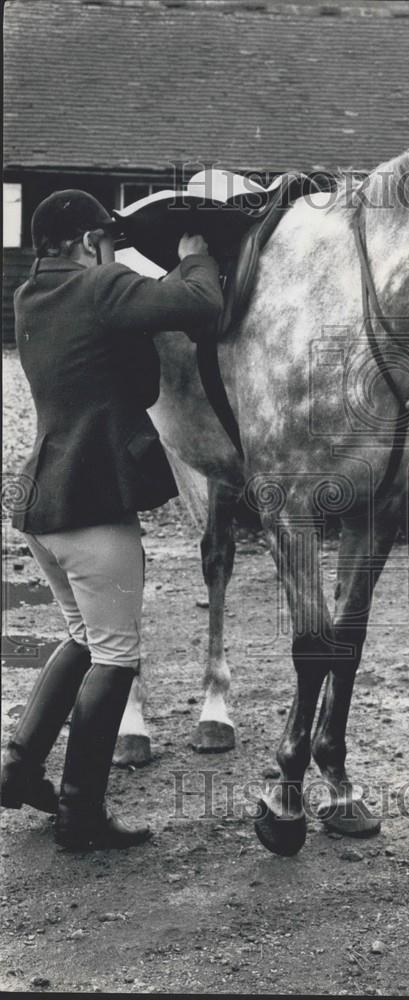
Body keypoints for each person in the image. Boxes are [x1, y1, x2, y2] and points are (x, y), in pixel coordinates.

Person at [1, 190, 224, 850]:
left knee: (81, 637)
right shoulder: (100, 285)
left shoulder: (29, 295)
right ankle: (81, 813)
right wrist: (193, 257)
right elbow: (202, 306)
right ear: (84, 239)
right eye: (105, 237)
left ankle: (16, 768)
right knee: (117, 656)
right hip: (94, 504)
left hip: (43, 505)